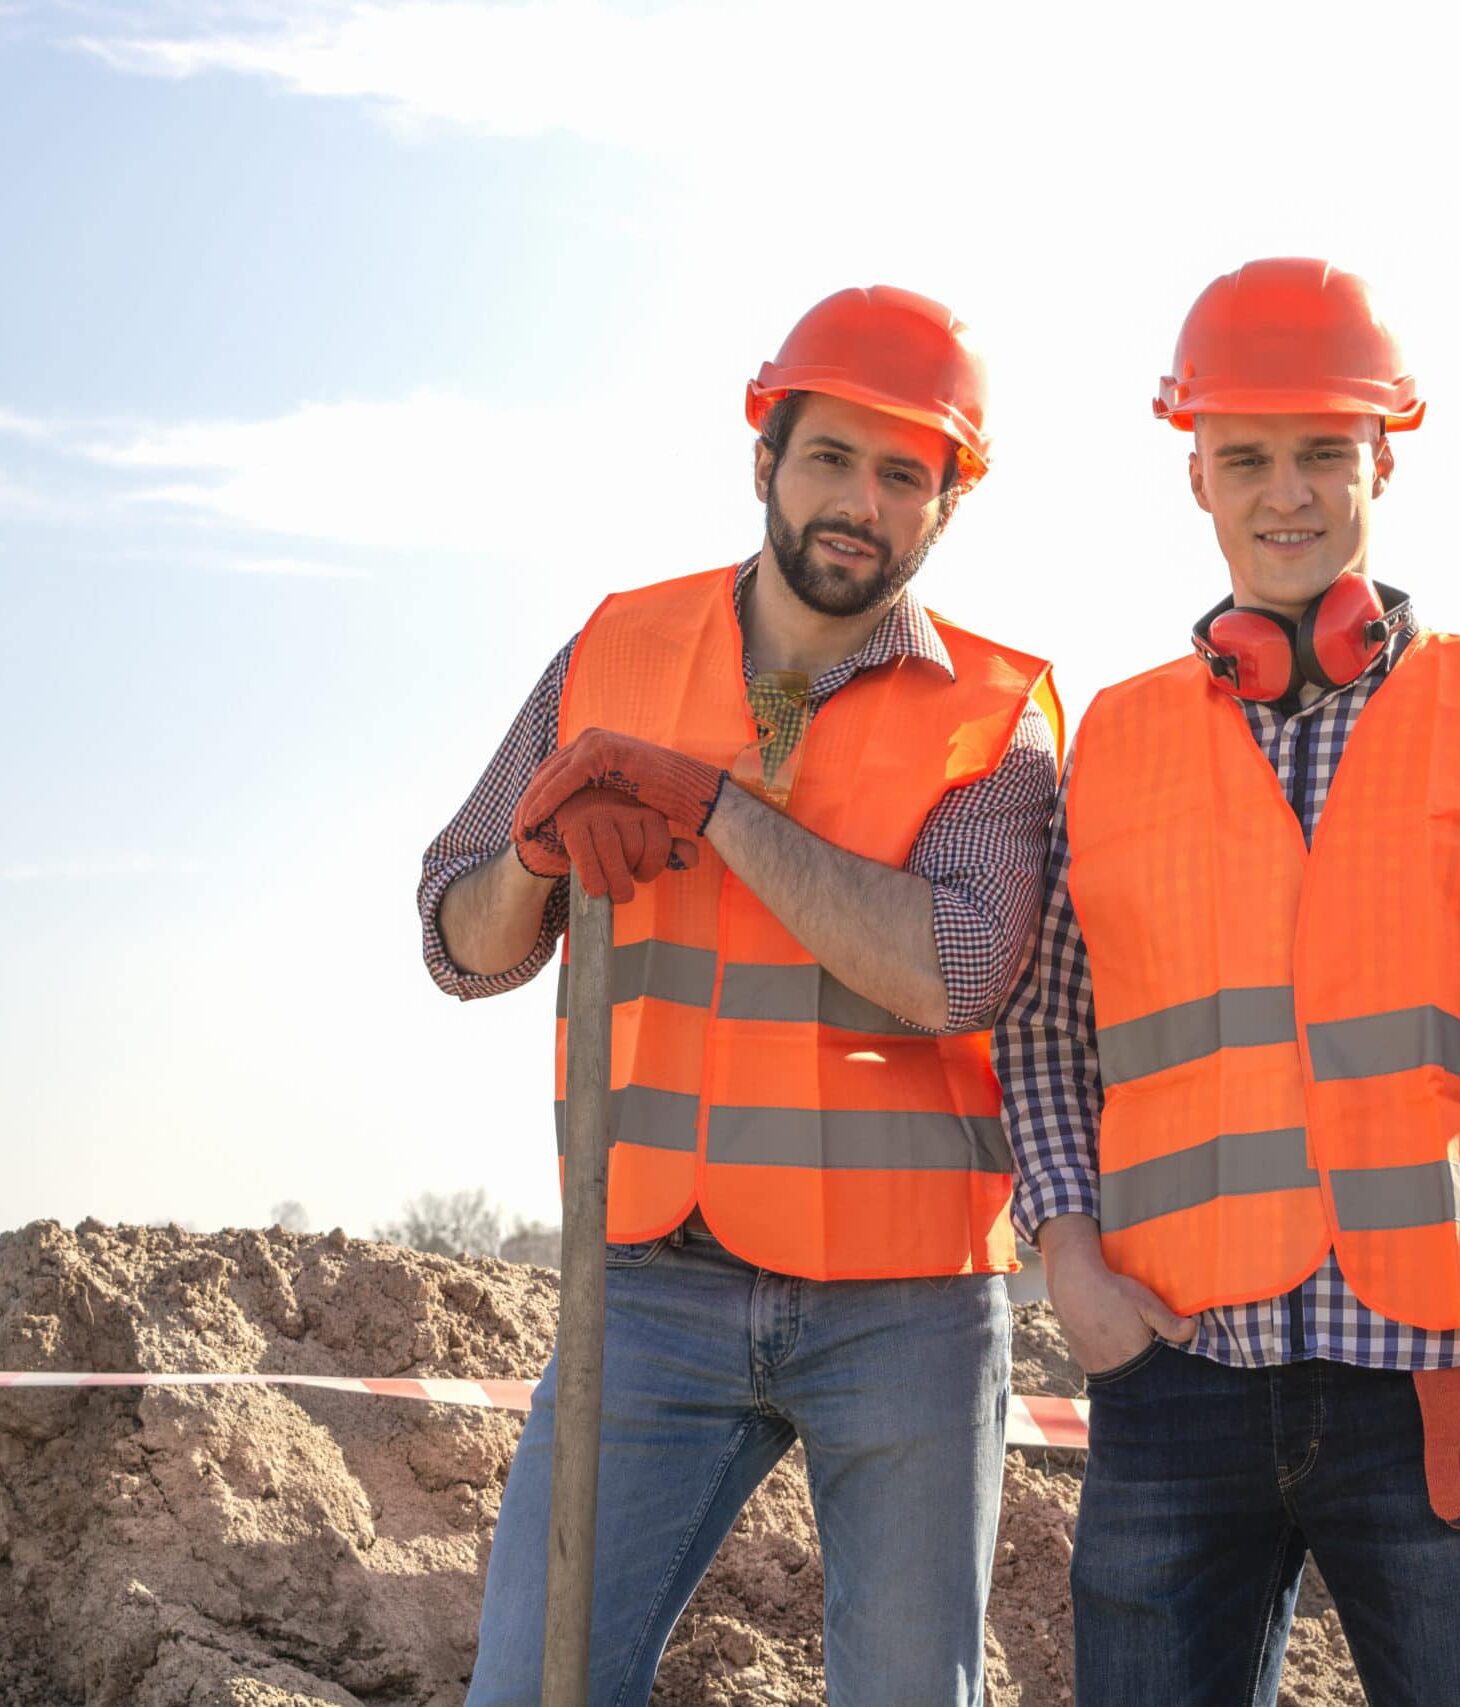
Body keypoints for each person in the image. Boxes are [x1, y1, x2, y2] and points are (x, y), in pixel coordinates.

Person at [995, 256, 1460, 1706]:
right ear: (1194, 474)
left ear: (1385, 454)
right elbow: (1052, 1033)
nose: (1287, 493)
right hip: (1174, 1372)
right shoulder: (1114, 745)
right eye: (1245, 457)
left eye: (1325, 451)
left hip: (1440, 1379)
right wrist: (1069, 1258)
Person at [418, 284, 1062, 1707]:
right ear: (765, 454)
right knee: (534, 1688)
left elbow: (961, 970)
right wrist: (531, 855)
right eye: (831, 456)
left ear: (949, 503)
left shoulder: (998, 720)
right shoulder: (612, 655)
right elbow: (457, 940)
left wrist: (717, 809)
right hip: (645, 1281)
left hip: (907, 1307)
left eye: (906, 475)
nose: (861, 501)